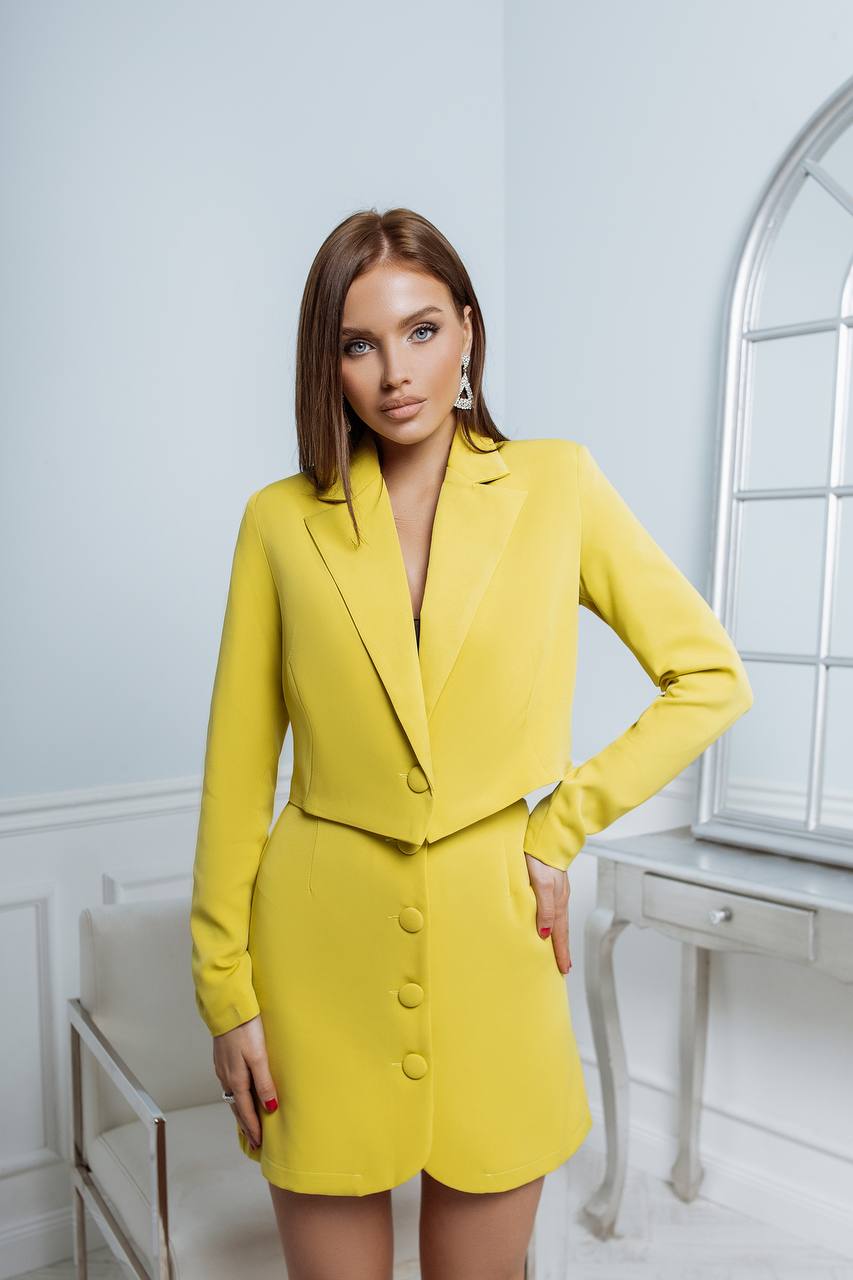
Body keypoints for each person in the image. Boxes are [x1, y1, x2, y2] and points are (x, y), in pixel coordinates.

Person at [189, 207, 754, 1280]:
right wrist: (227, 992)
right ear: (331, 362)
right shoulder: (278, 522)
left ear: (468, 335)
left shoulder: (556, 485)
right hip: (313, 959)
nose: (395, 370)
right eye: (359, 343)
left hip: (496, 951)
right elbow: (234, 771)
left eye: (420, 329)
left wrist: (558, 826)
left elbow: (709, 677)